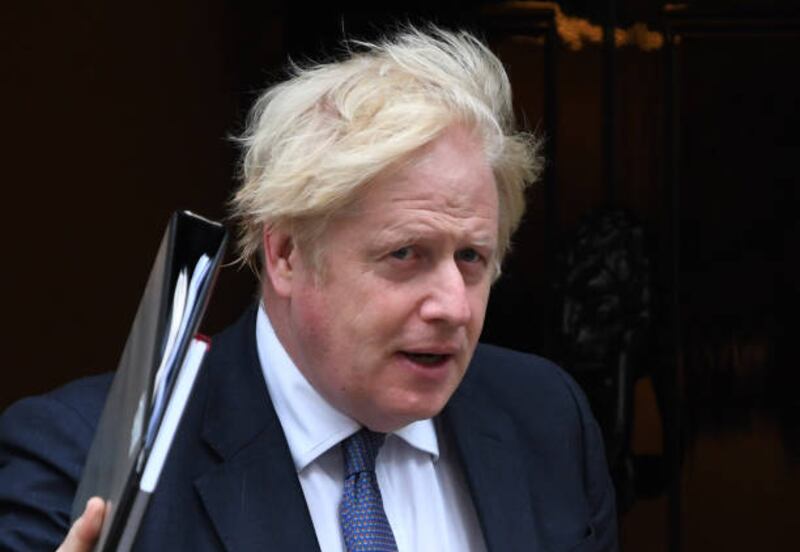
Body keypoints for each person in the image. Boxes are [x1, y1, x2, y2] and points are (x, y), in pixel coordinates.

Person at [0, 27, 618, 551]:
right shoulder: (84, 460)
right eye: (405, 254)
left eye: (472, 258)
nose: (454, 306)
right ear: (286, 253)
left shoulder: (545, 419)